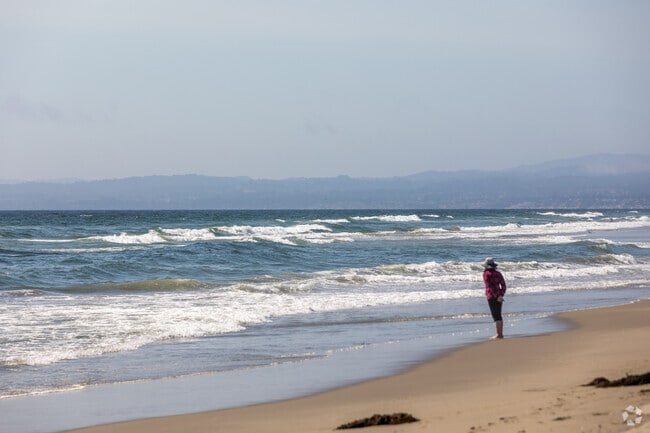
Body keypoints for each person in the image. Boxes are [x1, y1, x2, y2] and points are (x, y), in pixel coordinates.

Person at [482, 257, 507, 339]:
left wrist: (496, 296)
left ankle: (498, 334)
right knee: (499, 315)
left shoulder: (486, 274)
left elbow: (490, 286)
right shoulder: (498, 273)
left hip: (491, 296)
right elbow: (503, 285)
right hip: (499, 296)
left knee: (495, 316)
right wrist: (500, 295)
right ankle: (501, 333)